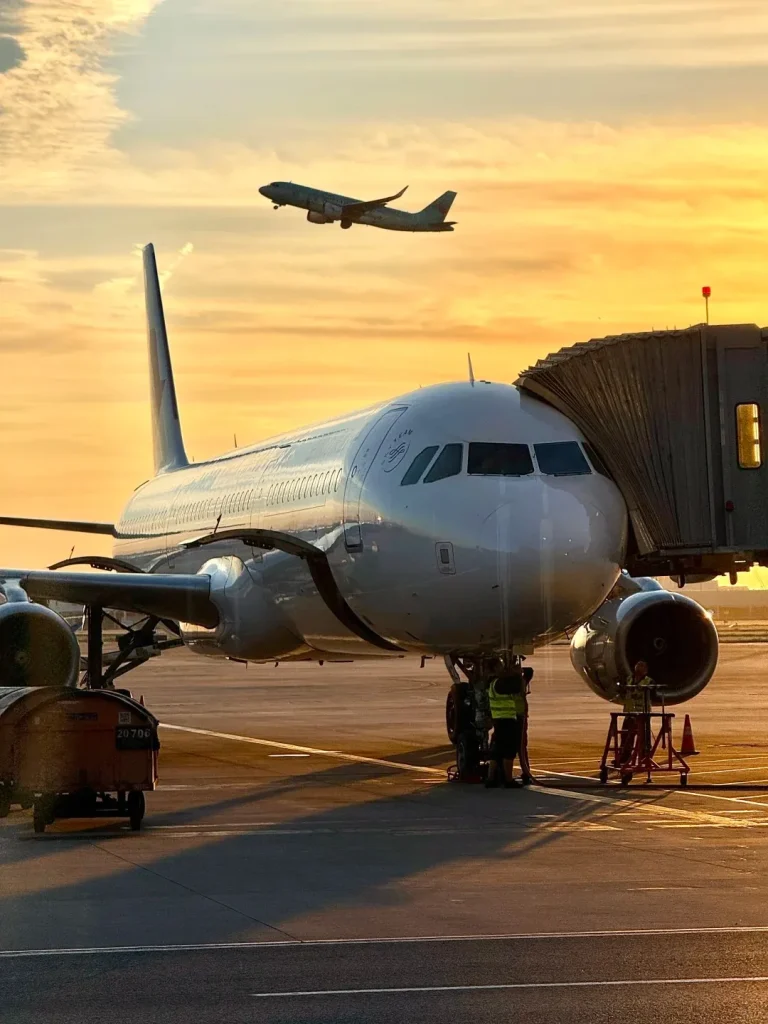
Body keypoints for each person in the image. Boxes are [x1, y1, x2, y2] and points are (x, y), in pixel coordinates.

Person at [485, 662, 525, 788]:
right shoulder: (499, 684)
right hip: (507, 721)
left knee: (496, 751)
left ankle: (491, 778)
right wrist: (517, 674)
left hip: (499, 720)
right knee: (509, 750)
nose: (503, 668)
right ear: (495, 670)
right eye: (500, 666)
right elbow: (516, 687)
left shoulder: (492, 684)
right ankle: (508, 780)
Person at [620, 660, 654, 762]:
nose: (639, 667)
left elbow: (653, 692)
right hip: (630, 713)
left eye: (642, 666)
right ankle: (624, 757)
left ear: (646, 670)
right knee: (625, 736)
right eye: (637, 665)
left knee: (644, 736)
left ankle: (645, 757)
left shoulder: (649, 681)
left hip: (642, 714)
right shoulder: (629, 679)